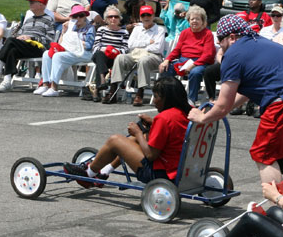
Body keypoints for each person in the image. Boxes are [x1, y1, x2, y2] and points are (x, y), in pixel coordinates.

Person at [187, 14, 283, 184]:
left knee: (263, 155)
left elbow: (223, 107)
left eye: (220, 41)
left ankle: (278, 204)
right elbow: (242, 94)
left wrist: (202, 117)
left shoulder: (234, 54)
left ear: (231, 37)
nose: (220, 48)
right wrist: (218, 107)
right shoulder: (260, 43)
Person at [63, 77, 191, 188]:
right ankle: (104, 172)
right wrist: (152, 124)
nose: (154, 101)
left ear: (166, 99)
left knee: (115, 140)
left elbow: (151, 155)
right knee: (130, 141)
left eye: (156, 97)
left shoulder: (164, 118)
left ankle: (87, 175)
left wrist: (138, 133)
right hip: (181, 169)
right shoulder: (187, 113)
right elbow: (173, 133)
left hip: (161, 174)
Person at [0, 0, 56, 93]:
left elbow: (50, 40)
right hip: (24, 46)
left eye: (33, 2)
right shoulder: (28, 20)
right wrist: (20, 37)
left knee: (10, 40)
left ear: (41, 4)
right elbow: (18, 34)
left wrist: (31, 38)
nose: (30, 4)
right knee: (12, 50)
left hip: (37, 47)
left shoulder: (48, 20)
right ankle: (7, 81)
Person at [104, 5, 166, 106]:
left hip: (153, 57)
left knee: (143, 60)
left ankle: (140, 92)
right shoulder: (137, 28)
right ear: (140, 17)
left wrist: (143, 47)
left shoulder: (160, 30)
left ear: (153, 16)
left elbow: (157, 48)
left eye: (148, 15)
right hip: (136, 54)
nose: (146, 17)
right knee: (120, 57)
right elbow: (130, 45)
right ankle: (113, 89)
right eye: (143, 15)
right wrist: (147, 42)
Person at [34, 4, 95, 97]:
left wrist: (75, 41)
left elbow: (89, 45)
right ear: (71, 18)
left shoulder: (90, 28)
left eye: (81, 15)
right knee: (47, 54)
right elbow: (61, 44)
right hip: (70, 52)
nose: (78, 18)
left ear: (85, 16)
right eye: (75, 16)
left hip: (84, 53)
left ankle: (54, 87)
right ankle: (45, 84)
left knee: (58, 56)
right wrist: (64, 32)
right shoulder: (71, 27)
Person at [159, 5, 216, 103]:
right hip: (183, 60)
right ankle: (168, 97)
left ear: (202, 21)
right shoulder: (185, 33)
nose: (194, 21)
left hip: (199, 62)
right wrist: (167, 60)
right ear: (188, 20)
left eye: (197, 19)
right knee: (166, 69)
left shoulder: (207, 34)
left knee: (195, 72)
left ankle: (191, 99)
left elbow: (208, 54)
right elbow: (177, 50)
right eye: (192, 19)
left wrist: (192, 65)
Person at [85, 5, 128, 102]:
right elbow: (95, 46)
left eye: (116, 16)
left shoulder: (124, 32)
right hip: (101, 56)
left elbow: (125, 48)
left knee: (101, 61)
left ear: (119, 19)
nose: (113, 19)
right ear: (106, 19)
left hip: (115, 58)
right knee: (99, 54)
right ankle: (102, 79)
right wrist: (105, 50)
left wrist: (113, 51)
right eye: (110, 17)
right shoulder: (101, 29)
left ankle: (97, 88)